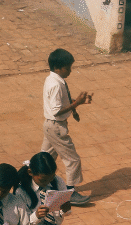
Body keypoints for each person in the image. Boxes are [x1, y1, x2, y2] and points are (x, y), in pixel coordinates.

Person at [41, 48, 92, 205]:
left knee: (44, 158)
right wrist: (76, 103)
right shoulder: (56, 85)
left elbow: (60, 103)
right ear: (58, 67)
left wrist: (75, 106)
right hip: (56, 127)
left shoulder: (52, 80)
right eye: (68, 68)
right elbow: (57, 111)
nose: (70, 71)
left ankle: (34, 185)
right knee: (73, 160)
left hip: (49, 126)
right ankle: (70, 193)